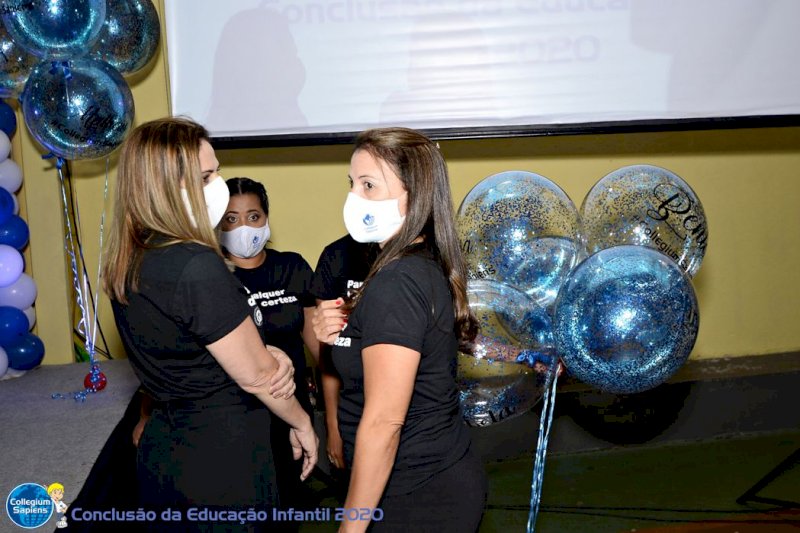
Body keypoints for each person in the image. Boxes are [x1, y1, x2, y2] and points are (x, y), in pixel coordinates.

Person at [102, 117, 318, 531]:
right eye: (206, 176)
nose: (218, 184)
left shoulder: (129, 259)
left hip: (168, 452)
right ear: (165, 187)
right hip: (222, 462)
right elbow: (257, 377)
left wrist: (264, 351)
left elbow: (185, 349)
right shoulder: (195, 264)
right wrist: (302, 421)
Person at [314, 127, 487, 531]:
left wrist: (351, 525)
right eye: (352, 184)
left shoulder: (398, 280)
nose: (354, 198)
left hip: (418, 494)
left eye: (369, 185)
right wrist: (342, 335)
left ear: (415, 195)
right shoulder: (411, 265)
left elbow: (384, 422)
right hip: (419, 481)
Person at [219, 176, 318, 515]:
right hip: (240, 415)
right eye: (231, 219)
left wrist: (335, 411)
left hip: (294, 410)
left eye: (253, 216)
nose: (244, 227)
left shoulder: (291, 266)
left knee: (289, 505)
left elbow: (317, 344)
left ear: (266, 218)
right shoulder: (212, 277)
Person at [309, 235, 378, 480]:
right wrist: (333, 425)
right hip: (352, 409)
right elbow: (329, 355)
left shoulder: (417, 259)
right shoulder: (336, 256)